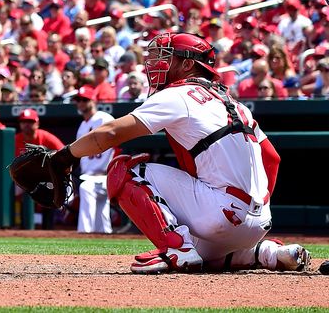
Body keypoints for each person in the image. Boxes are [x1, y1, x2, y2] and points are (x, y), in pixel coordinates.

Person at [42, 32, 310, 274]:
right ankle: (267, 253)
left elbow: (110, 133)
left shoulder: (178, 93)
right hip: (259, 221)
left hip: (222, 213)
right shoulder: (234, 103)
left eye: (164, 57)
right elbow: (272, 159)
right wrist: (256, 209)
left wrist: (64, 157)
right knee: (207, 257)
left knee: (124, 169)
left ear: (187, 64)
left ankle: (177, 249)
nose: (155, 64)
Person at [73, 86, 114, 234]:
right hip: (89, 176)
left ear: (93, 100)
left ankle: (85, 234)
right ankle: (104, 235)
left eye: (85, 99)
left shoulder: (104, 118)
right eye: (79, 100)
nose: (81, 103)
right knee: (100, 209)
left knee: (86, 188)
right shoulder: (82, 126)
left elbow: (119, 139)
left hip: (107, 175)